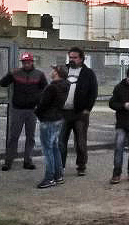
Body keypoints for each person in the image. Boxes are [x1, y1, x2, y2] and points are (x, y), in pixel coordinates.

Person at [0, 53, 47, 171]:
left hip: (32, 110)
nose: (26, 64)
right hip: (17, 110)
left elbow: (45, 89)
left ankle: (28, 161)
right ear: (22, 62)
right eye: (24, 62)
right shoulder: (16, 73)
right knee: (13, 136)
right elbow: (2, 83)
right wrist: (10, 74)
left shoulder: (39, 75)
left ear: (32, 62)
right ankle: (8, 162)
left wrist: (38, 103)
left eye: (28, 62)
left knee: (30, 137)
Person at [59, 47, 98, 176]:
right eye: (70, 57)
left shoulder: (88, 73)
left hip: (80, 114)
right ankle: (60, 166)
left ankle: (81, 166)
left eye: (75, 57)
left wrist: (87, 109)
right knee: (61, 141)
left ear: (81, 58)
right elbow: (55, 86)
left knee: (80, 142)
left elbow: (93, 92)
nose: (72, 60)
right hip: (64, 113)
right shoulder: (63, 70)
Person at [34, 64, 71, 189]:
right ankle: (58, 175)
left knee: (48, 149)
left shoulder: (52, 88)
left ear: (57, 72)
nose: (51, 71)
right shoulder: (65, 85)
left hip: (48, 119)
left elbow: (43, 104)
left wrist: (38, 113)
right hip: (57, 118)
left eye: (54, 70)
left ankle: (49, 177)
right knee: (54, 147)